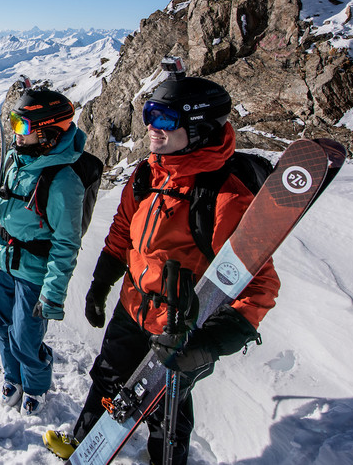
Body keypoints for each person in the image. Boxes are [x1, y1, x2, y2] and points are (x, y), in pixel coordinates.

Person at [43, 63, 279, 464]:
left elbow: (258, 286)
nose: (153, 127)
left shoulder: (225, 197)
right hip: (133, 304)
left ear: (199, 128)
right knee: (107, 375)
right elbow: (123, 232)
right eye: (149, 114)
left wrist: (208, 346)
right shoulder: (148, 174)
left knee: (166, 407)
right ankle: (84, 444)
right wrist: (101, 284)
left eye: (165, 118)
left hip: (179, 326)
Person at [0, 84, 88, 416]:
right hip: (2, 260)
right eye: (14, 124)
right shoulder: (15, 158)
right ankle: (13, 378)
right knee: (1, 327)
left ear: (47, 132)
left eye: (22, 126)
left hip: (34, 272)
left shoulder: (63, 181)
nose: (16, 133)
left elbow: (66, 244)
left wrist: (53, 293)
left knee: (24, 337)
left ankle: (35, 386)